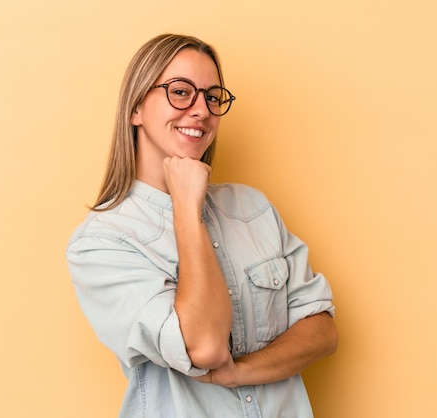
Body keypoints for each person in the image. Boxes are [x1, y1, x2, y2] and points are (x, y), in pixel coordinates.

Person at [66, 33, 338, 418]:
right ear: (136, 109)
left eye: (212, 96)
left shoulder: (251, 207)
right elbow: (205, 347)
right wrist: (186, 210)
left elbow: (322, 330)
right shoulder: (102, 242)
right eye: (180, 91)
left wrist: (240, 372)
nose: (200, 110)